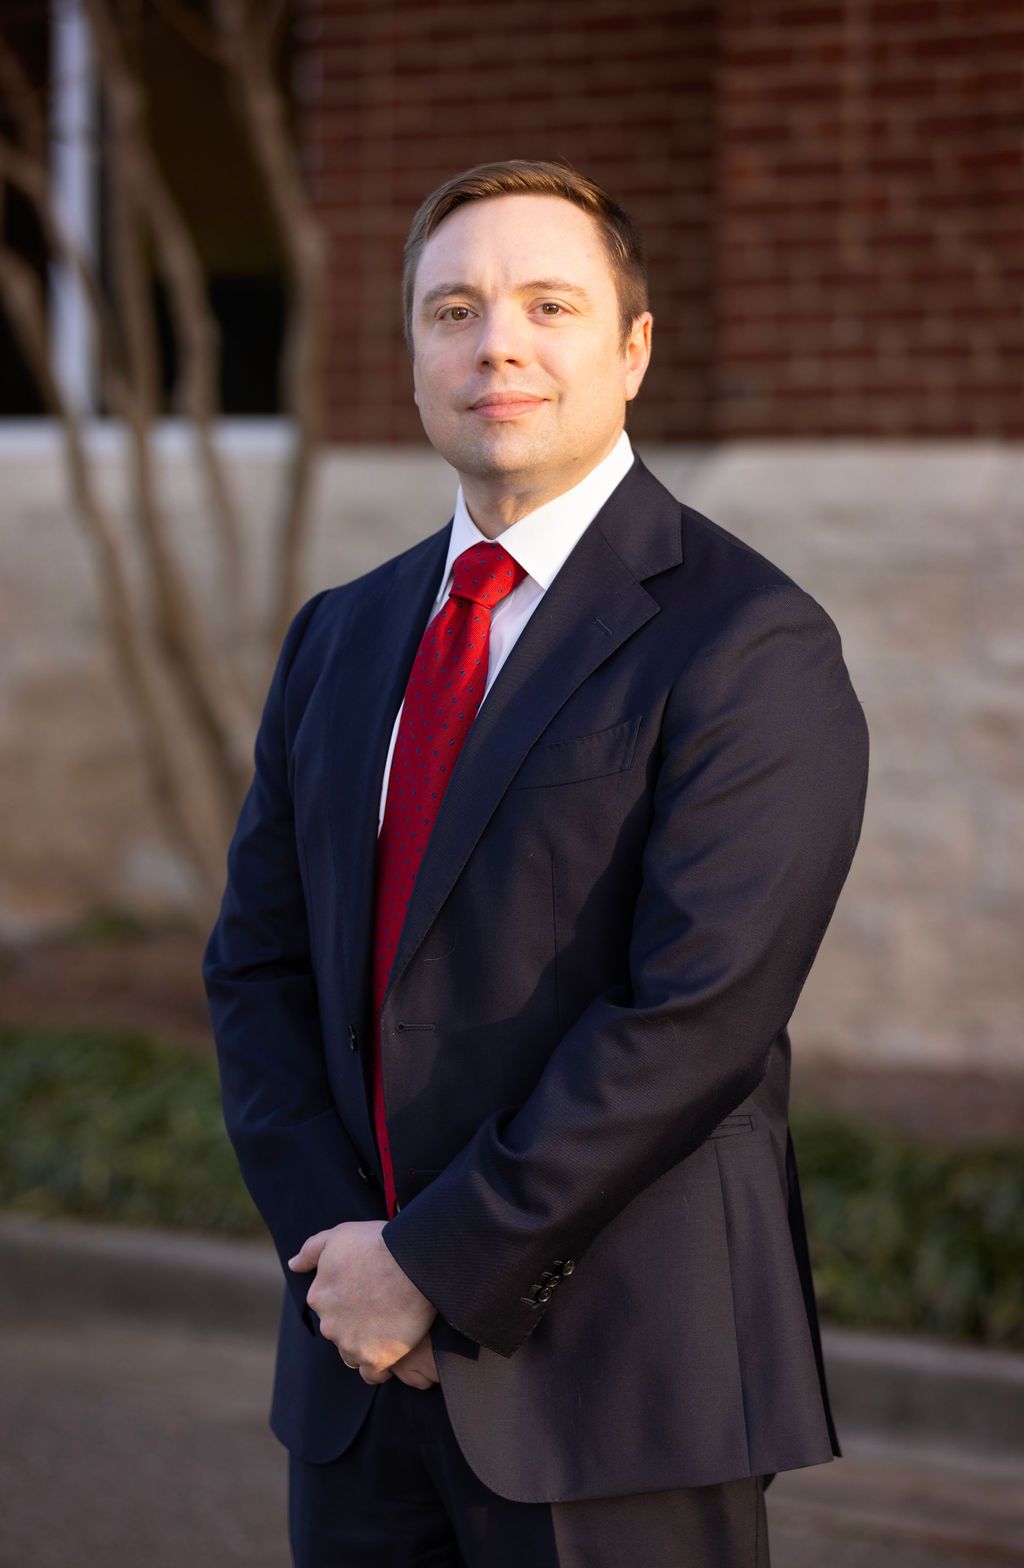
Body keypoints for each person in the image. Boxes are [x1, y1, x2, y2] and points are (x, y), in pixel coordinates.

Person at [203, 158, 869, 1567]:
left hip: (618, 1391)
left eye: (547, 304)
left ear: (632, 350)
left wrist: (438, 1267)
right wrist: (351, 1260)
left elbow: (696, 1018)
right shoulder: (341, 635)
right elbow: (255, 966)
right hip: (356, 1381)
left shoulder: (747, 641)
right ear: (412, 360)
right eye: (453, 310)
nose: (495, 341)